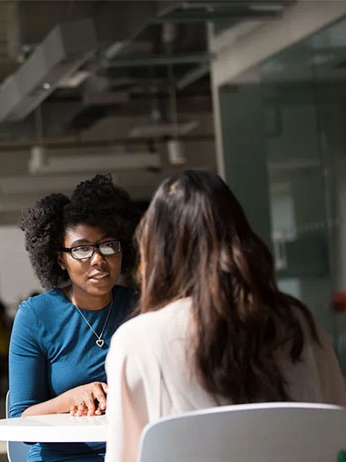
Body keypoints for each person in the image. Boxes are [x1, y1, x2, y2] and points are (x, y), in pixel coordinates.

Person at [104, 170, 346, 462]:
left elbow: (123, 457)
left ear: (158, 251)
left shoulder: (137, 340)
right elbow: (337, 432)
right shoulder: (299, 324)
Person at [9, 174, 141, 462]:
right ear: (60, 259)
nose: (98, 259)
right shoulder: (36, 316)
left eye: (108, 245)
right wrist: (69, 399)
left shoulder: (141, 308)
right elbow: (20, 422)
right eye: (82, 249)